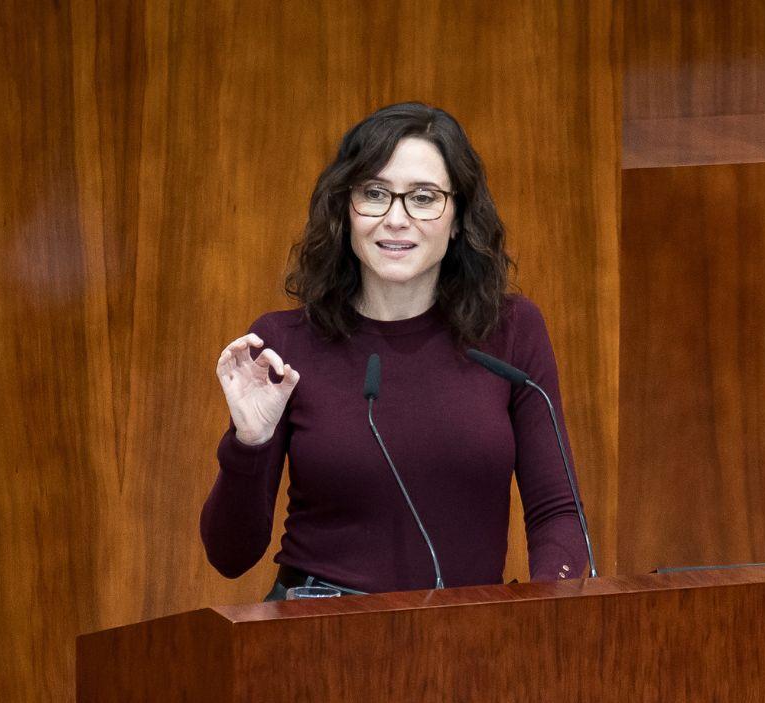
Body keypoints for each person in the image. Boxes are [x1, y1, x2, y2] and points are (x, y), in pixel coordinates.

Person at [201, 102, 587, 599]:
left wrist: (545, 618)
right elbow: (229, 556)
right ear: (346, 210)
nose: (396, 219)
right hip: (314, 636)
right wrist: (248, 444)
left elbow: (556, 511)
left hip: (470, 641)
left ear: (457, 217)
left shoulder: (510, 332)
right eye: (375, 194)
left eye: (423, 198)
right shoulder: (284, 344)